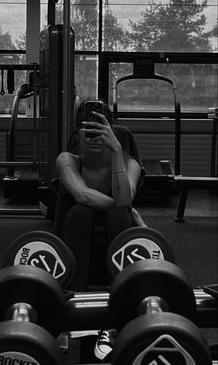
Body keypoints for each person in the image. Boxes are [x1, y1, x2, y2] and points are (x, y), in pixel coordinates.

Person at [53, 100, 147, 361]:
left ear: (111, 131)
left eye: (100, 130)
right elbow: (83, 195)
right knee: (84, 212)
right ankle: (67, 315)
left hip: (116, 240)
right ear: (77, 134)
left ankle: (113, 319)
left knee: (118, 213)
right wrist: (132, 211)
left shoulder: (130, 163)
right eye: (88, 131)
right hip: (72, 247)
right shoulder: (67, 160)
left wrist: (116, 149)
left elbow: (124, 197)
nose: (94, 137)